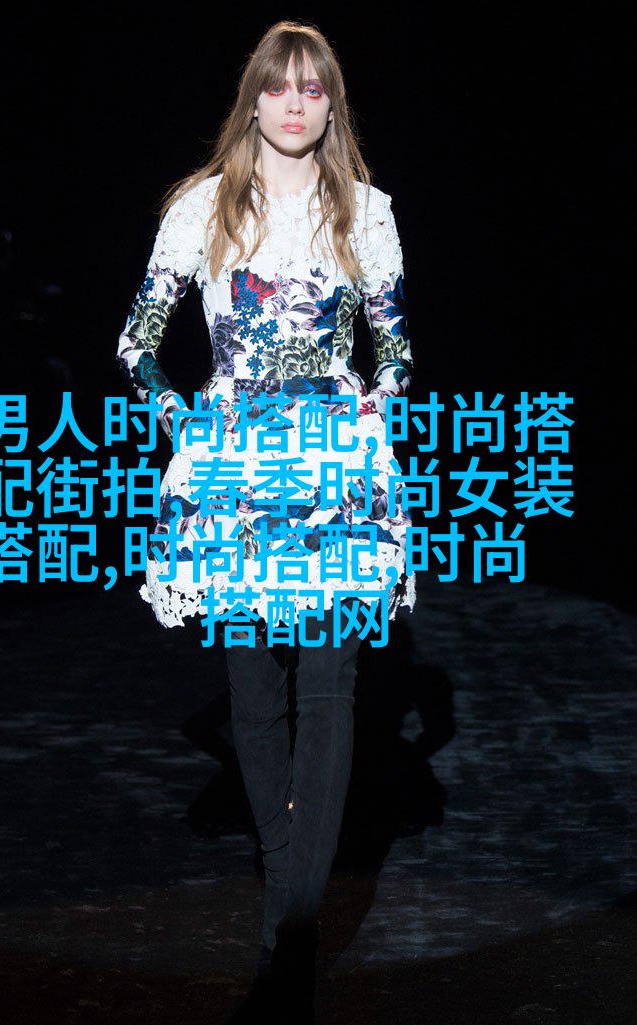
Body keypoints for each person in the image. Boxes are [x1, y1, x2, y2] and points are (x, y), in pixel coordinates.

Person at [117, 19, 415, 1022]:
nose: (294, 103)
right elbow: (137, 341)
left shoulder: (365, 211)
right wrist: (182, 416)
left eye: (312, 88)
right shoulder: (201, 207)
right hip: (236, 466)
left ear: (331, 105)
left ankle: (290, 929)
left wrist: (378, 403)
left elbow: (395, 345)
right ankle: (288, 910)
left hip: (334, 465)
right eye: (279, 87)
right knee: (253, 689)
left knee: (330, 688)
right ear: (252, 99)